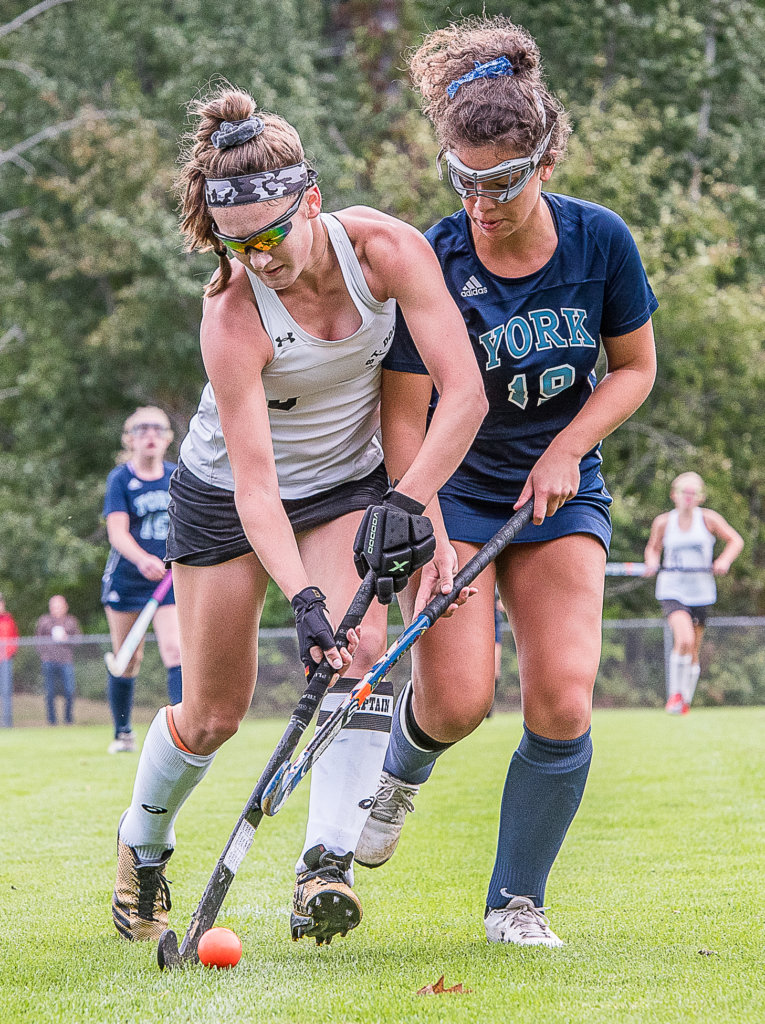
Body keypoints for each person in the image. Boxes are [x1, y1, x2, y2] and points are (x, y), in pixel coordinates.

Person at [110, 85, 486, 946]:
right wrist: (301, 597)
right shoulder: (231, 311)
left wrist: (409, 503)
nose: (259, 258)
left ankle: (325, 864)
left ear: (310, 200)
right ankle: (144, 840)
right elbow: (253, 487)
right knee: (214, 712)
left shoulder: (385, 251)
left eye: (271, 235)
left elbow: (463, 393)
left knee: (361, 650)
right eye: (237, 244)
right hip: (225, 496)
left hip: (345, 484)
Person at [354, 15, 658, 948]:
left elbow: (634, 368)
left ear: (545, 162)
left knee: (561, 696)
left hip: (560, 492)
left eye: (501, 181)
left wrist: (568, 446)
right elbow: (403, 412)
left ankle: (514, 904)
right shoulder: (438, 259)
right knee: (456, 702)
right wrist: (420, 517)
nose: (479, 201)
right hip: (453, 491)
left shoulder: (599, 242)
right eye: (463, 179)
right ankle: (400, 773)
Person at [102, 407, 183, 754]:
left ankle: (183, 734)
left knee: (175, 649)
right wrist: (142, 559)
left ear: (167, 438)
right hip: (127, 580)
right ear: (130, 439)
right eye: (142, 429)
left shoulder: (177, 476)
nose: (150, 434)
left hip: (166, 582)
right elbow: (117, 533)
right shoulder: (120, 479)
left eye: (158, 428)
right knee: (128, 659)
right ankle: (123, 733)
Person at [643, 471, 743, 715]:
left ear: (700, 497)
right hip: (672, 589)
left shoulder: (708, 519)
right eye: (683, 492)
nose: (688, 497)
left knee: (693, 650)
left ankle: (684, 699)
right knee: (684, 639)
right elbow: (653, 549)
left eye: (693, 493)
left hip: (701, 591)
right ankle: (674, 696)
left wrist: (724, 561)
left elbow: (735, 541)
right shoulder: (664, 522)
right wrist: (652, 563)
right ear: (673, 495)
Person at [35, 595, 82, 725]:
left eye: (59, 606)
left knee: (69, 691)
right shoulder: (44, 621)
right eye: (54, 606)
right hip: (48, 661)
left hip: (66, 661)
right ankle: (52, 721)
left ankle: (68, 719)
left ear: (65, 607)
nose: (57, 609)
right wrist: (44, 653)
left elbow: (79, 640)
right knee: (50, 692)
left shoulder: (71, 621)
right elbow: (37, 640)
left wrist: (67, 639)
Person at [0, 592, 19, 729]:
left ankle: (7, 722)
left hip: (5, 660)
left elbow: (14, 639)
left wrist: (8, 653)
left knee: (6, 691)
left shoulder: (8, 619)